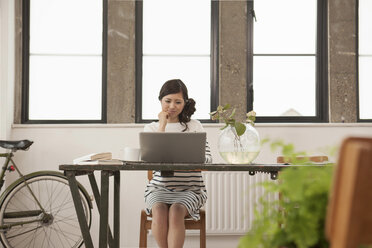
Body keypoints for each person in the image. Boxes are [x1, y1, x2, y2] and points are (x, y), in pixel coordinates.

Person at [143, 79, 212, 248]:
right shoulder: (152, 128)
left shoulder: (194, 126)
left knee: (176, 211)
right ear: (160, 100)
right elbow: (150, 160)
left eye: (178, 102)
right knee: (159, 211)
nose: (172, 106)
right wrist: (162, 125)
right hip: (159, 188)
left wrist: (190, 158)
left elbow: (208, 159)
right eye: (168, 101)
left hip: (190, 190)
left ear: (184, 103)